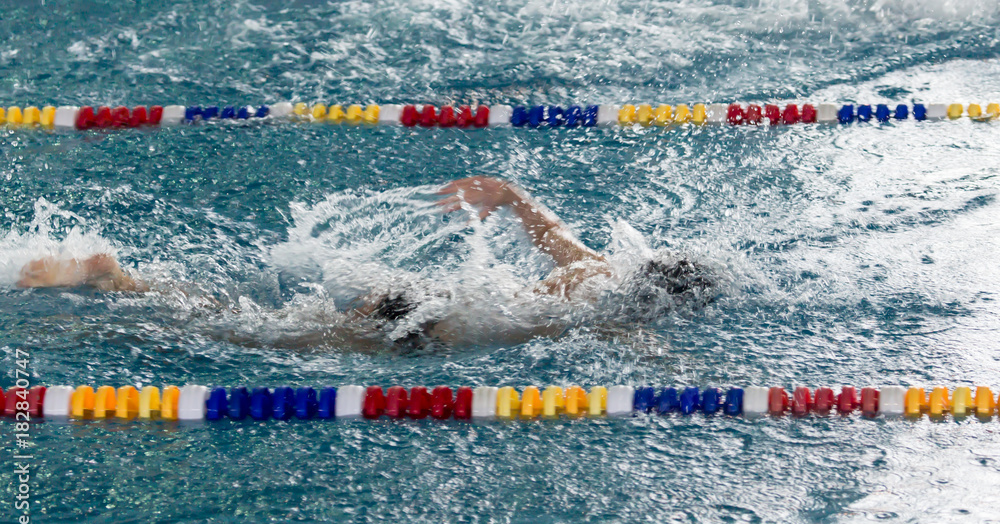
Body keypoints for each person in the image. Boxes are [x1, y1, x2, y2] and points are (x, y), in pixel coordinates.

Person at [16, 176, 715, 350]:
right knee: (268, 337)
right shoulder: (610, 312)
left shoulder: (595, 268)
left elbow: (548, 229)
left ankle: (129, 282)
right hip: (440, 324)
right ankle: (122, 294)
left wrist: (507, 192)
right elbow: (641, 345)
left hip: (433, 294)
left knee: (275, 318)